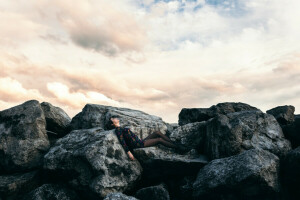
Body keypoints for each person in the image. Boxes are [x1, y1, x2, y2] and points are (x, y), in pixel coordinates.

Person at [105, 115, 189, 161]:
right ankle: (178, 147)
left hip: (139, 141)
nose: (115, 118)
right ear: (112, 123)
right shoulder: (118, 130)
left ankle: (173, 143)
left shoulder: (121, 128)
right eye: (113, 118)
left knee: (157, 133)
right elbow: (122, 141)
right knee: (159, 140)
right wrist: (129, 153)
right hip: (138, 144)